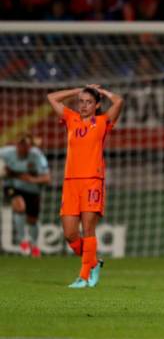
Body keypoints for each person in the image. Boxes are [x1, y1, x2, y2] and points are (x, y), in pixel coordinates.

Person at [47, 84, 123, 288]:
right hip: (70, 182)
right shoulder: (71, 119)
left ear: (97, 105)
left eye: (89, 102)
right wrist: (79, 90)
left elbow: (119, 101)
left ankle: (84, 276)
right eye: (81, 101)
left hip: (92, 181)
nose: (84, 105)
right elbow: (52, 97)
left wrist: (104, 92)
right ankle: (94, 262)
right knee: (70, 234)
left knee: (88, 228)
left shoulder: (102, 121)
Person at [0, 134, 51, 257]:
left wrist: (31, 180)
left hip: (32, 189)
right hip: (12, 186)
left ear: (30, 146)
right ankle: (22, 241)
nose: (22, 148)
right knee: (19, 206)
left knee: (32, 220)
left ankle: (33, 244)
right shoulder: (5, 153)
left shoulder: (37, 156)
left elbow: (47, 178)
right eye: (20, 144)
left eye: (25, 145)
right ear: (16, 145)